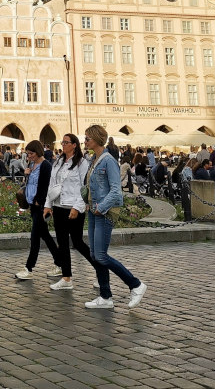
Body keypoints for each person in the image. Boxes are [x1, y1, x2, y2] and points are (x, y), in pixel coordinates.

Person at [82, 125, 146, 309]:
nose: (85, 141)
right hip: (94, 211)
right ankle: (105, 297)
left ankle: (136, 284)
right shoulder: (94, 160)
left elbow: (116, 192)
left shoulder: (108, 161)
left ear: (96, 139)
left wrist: (100, 207)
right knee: (95, 255)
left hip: (104, 212)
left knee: (101, 255)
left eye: (87, 138)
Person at [44, 132, 94, 292]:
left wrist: (77, 207)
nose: (63, 145)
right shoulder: (58, 161)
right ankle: (66, 278)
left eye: (66, 142)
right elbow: (52, 184)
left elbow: (84, 187)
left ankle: (101, 270)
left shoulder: (81, 163)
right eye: (62, 142)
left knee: (78, 242)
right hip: (59, 207)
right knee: (62, 243)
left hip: (73, 208)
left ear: (74, 145)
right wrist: (48, 205)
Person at [15, 140, 63, 281]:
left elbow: (46, 186)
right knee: (45, 236)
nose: (28, 156)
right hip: (32, 205)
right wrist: (27, 174)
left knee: (35, 237)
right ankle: (60, 263)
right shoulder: (31, 164)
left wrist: (39, 201)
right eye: (27, 154)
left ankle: (29, 268)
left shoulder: (45, 166)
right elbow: (29, 183)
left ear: (38, 152)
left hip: (41, 206)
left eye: (31, 153)